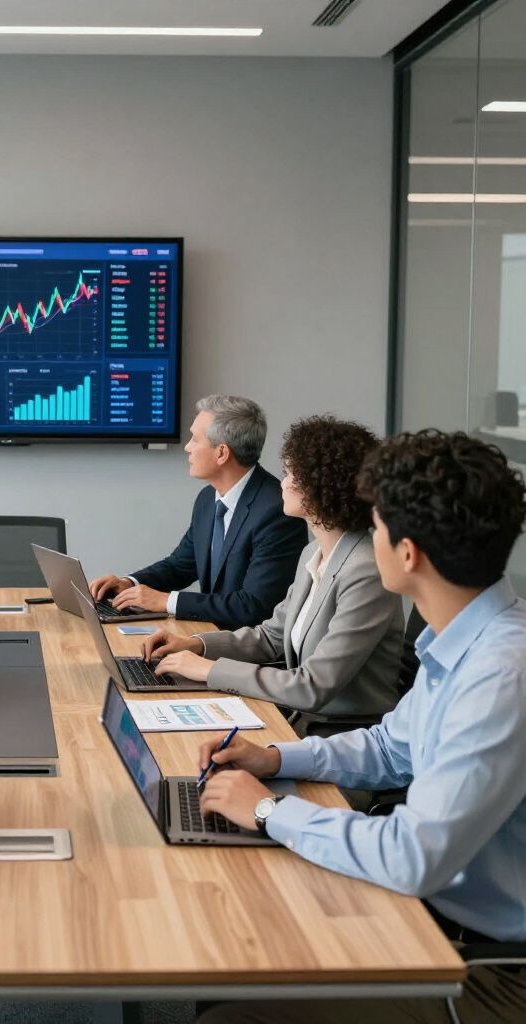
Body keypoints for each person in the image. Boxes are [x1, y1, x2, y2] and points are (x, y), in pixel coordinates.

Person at [196, 430, 526, 1024]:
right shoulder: (468, 641)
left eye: (374, 528)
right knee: (232, 947)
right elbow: (389, 746)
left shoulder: (501, 674)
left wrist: (270, 812)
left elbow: (413, 856)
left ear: (408, 553)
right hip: (440, 920)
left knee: (232, 1012)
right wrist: (274, 759)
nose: (364, 541)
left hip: (487, 969)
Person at [140, 416, 404, 734]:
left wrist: (209, 671)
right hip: (300, 719)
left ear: (322, 486)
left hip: (343, 732)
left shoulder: (366, 571)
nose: (282, 482)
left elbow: (312, 686)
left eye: (292, 473)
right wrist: (196, 644)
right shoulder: (314, 554)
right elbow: (271, 638)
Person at [89, 395, 307, 629]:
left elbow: (253, 606)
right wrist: (129, 583)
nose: (187, 447)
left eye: (194, 439)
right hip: (208, 636)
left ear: (221, 453)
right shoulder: (207, 498)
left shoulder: (277, 511)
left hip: (247, 652)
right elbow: (180, 565)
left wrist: (167, 601)